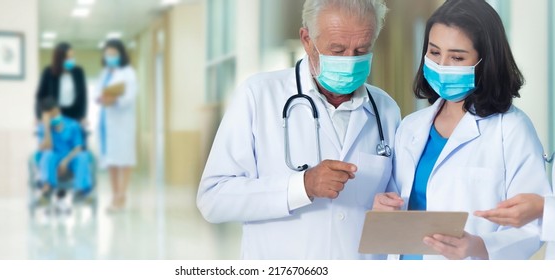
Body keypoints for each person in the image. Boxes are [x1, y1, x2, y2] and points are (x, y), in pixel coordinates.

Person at [198, 0, 400, 259]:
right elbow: (213, 199)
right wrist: (302, 186)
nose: (350, 61)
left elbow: (396, 203)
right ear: (307, 39)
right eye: (337, 50)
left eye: (362, 50)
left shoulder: (386, 109)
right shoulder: (259, 95)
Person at [373, 0, 551, 260]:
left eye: (456, 57)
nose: (442, 65)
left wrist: (480, 246)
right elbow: (398, 205)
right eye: (434, 53)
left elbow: (533, 223)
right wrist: (382, 210)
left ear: (485, 60)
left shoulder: (511, 129)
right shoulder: (411, 126)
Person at [94, 39, 137, 211]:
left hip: (122, 121)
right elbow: (98, 93)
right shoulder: (105, 73)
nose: (110, 57)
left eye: (114, 54)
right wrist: (101, 98)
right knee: (111, 161)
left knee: (124, 160)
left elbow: (129, 97)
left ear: (121, 54)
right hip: (107, 120)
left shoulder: (128, 73)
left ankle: (122, 195)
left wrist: (115, 99)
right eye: (108, 54)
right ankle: (114, 194)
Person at [36, 97, 93, 197]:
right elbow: (48, 147)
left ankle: (80, 190)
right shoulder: (43, 128)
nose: (54, 116)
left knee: (83, 156)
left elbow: (78, 148)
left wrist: (65, 161)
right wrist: (47, 127)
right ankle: (47, 187)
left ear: (59, 110)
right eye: (50, 115)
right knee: (47, 155)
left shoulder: (73, 124)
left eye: (55, 112)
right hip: (54, 158)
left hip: (70, 157)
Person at [36, 42, 88, 123]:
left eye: (72, 57)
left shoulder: (78, 72)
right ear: (60, 59)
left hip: (74, 115)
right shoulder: (48, 72)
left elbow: (83, 97)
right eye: (68, 57)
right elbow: (40, 96)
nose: (71, 60)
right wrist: (39, 116)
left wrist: (83, 116)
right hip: (54, 113)